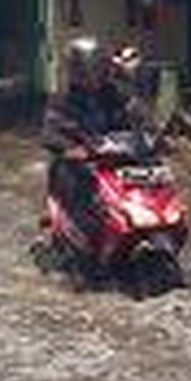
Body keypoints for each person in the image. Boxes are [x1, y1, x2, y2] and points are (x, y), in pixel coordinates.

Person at [41, 37, 149, 241]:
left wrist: (148, 132)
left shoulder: (114, 92)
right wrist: (70, 148)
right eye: (86, 70)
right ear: (75, 71)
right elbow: (50, 131)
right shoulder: (62, 98)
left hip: (113, 157)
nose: (92, 76)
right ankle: (82, 237)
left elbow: (134, 117)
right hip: (79, 162)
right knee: (78, 185)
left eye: (97, 68)